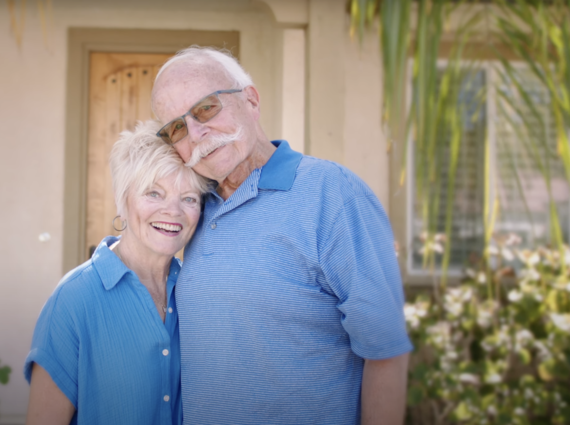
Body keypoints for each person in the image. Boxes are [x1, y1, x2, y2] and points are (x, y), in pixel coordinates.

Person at [151, 47, 413, 425]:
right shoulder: (190, 209)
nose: (196, 133)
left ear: (251, 100)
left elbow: (385, 350)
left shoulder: (333, 193)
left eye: (206, 108)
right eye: (176, 127)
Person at [23, 120, 210, 425]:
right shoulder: (73, 300)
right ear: (123, 201)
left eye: (189, 198)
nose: (173, 212)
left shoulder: (196, 292)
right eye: (154, 193)